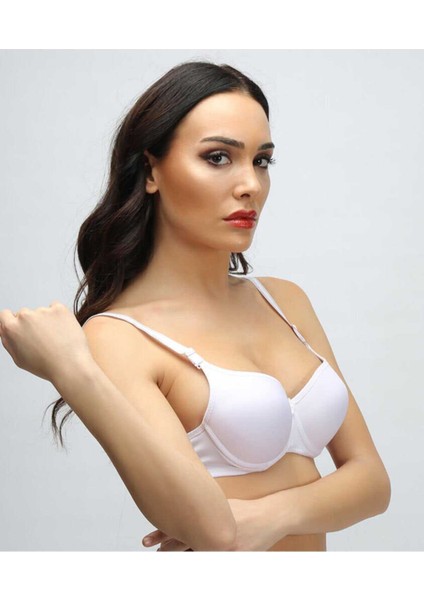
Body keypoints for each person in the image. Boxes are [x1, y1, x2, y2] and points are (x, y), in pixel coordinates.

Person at [0, 61, 391, 551]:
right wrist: (71, 372)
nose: (250, 184)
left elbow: (374, 483)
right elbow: (211, 530)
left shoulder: (285, 300)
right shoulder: (118, 337)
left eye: (262, 161)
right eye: (218, 157)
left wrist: (264, 517)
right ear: (151, 171)